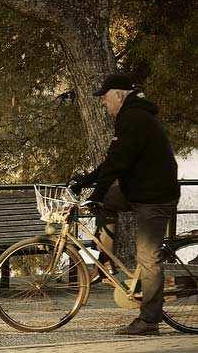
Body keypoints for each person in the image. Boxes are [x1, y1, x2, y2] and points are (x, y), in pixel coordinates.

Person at [71, 74, 180, 335]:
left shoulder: (133, 118)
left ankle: (149, 321)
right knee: (106, 202)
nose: (104, 103)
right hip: (138, 191)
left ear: (119, 94)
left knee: (148, 257)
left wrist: (96, 190)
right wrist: (87, 182)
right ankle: (105, 258)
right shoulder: (132, 115)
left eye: (106, 97)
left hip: (154, 197)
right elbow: (114, 159)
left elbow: (118, 163)